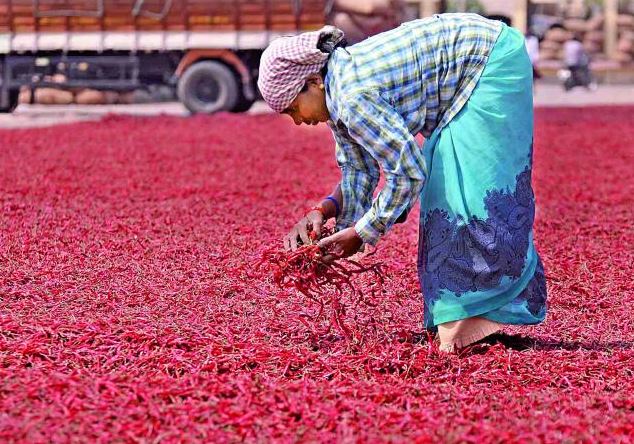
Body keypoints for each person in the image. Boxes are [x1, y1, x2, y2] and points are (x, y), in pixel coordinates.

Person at [257, 14, 548, 352]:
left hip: (488, 60)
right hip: (469, 68)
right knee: (450, 192)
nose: (298, 121)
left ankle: (479, 322)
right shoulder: (337, 97)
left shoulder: (351, 96)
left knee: (468, 196)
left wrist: (362, 233)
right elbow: (359, 171)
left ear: (313, 81)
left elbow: (408, 171)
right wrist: (324, 211)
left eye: (293, 108)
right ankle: (477, 320)